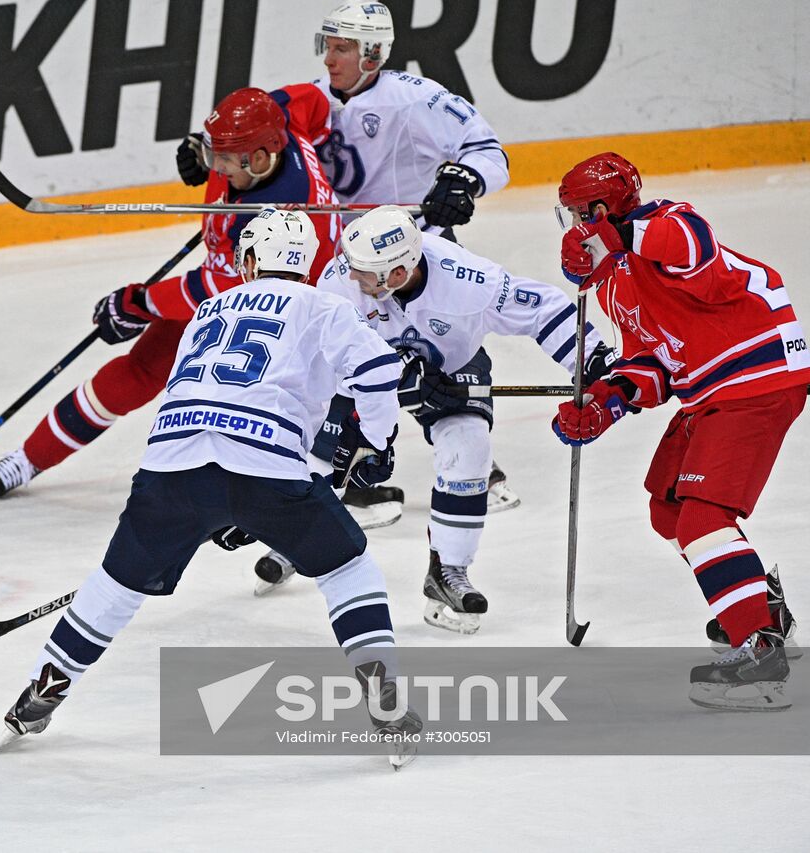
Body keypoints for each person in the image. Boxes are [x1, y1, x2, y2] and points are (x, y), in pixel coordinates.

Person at [0, 208, 421, 766]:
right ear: (309, 261)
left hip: (169, 468)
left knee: (115, 587)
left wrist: (222, 508)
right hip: (265, 464)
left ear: (247, 262)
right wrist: (379, 441)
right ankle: (385, 703)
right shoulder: (324, 305)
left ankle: (38, 694)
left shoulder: (207, 311)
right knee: (347, 569)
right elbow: (378, 372)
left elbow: (208, 404)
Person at [258, 205, 614, 632]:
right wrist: (393, 379)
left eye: (365, 272)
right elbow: (321, 359)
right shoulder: (340, 281)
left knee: (470, 449)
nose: (352, 276)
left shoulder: (470, 281)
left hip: (451, 370)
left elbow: (543, 309)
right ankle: (294, 538)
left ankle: (447, 570)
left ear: (398, 273)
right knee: (324, 457)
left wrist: (591, 360)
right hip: (361, 379)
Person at [0, 87, 341, 499]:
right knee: (138, 371)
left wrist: (137, 303)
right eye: (212, 153)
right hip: (242, 278)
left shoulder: (274, 220)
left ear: (261, 157)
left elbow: (212, 289)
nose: (215, 166)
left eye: (223, 159)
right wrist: (198, 144)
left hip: (282, 312)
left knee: (240, 408)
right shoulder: (281, 120)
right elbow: (314, 100)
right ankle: (29, 458)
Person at [552, 152, 808, 711]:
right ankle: (763, 607)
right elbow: (654, 363)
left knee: (703, 520)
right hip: (712, 392)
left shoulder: (669, 226)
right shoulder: (614, 285)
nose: (572, 227)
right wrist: (607, 401)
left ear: (601, 208)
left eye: (577, 214)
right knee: (667, 509)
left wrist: (618, 232)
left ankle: (761, 654)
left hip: (757, 378)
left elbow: (691, 246)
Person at [272, 0, 518, 526]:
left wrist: (463, 180)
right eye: (328, 46)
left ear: (373, 54)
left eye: (343, 48)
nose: (330, 59)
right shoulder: (309, 98)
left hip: (417, 252)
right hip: (348, 259)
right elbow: (258, 131)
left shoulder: (417, 98)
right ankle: (358, 473)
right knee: (343, 361)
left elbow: (489, 152)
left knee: (436, 353)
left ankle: (471, 457)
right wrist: (206, 148)